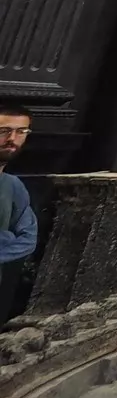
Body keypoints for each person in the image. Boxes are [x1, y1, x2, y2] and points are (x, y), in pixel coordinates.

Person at [0, 106, 36, 323]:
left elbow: (28, 240)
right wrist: (7, 238)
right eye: (3, 130)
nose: (12, 138)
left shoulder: (14, 187)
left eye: (21, 132)